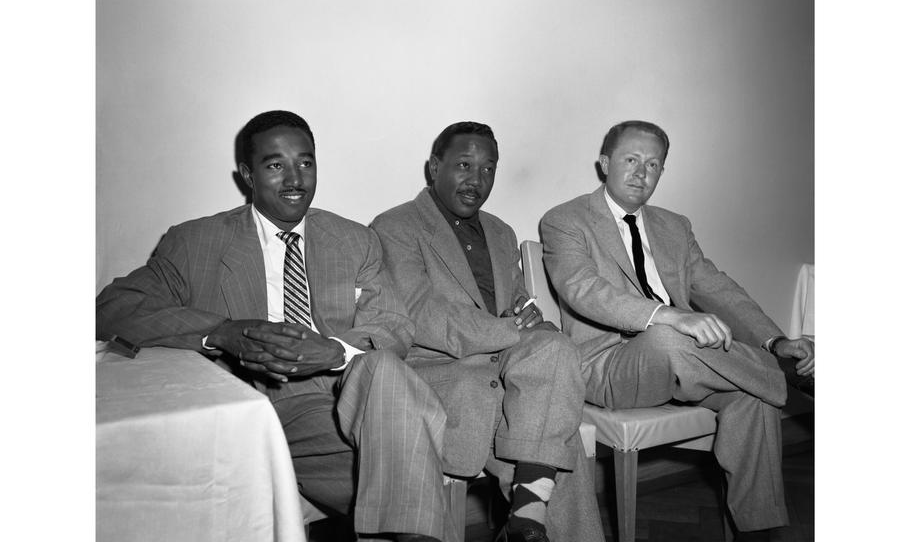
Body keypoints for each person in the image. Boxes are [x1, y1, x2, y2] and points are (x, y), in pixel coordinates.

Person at [96, 110, 448, 542]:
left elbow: (393, 325)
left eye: (305, 162)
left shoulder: (355, 240)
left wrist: (335, 351)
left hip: (336, 398)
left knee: (387, 374)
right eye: (275, 165)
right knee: (412, 483)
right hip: (247, 401)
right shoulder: (195, 241)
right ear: (247, 174)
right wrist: (222, 332)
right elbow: (113, 306)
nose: (295, 179)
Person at [539, 120, 815, 541]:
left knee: (754, 397)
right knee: (669, 337)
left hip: (690, 364)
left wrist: (775, 339)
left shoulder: (674, 226)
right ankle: (787, 374)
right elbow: (583, 290)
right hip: (610, 367)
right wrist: (669, 316)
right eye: (631, 160)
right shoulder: (565, 220)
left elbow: (719, 288)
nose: (641, 173)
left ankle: (758, 532)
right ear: (604, 163)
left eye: (653, 165)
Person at [371, 122, 605, 542]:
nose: (476, 180)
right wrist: (512, 328)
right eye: (464, 165)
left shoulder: (500, 231)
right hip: (445, 376)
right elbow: (421, 314)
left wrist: (530, 319)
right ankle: (528, 519)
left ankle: (523, 527)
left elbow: (517, 304)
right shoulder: (394, 227)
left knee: (553, 351)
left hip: (507, 368)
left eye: (488, 169)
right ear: (433, 167)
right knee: (554, 439)